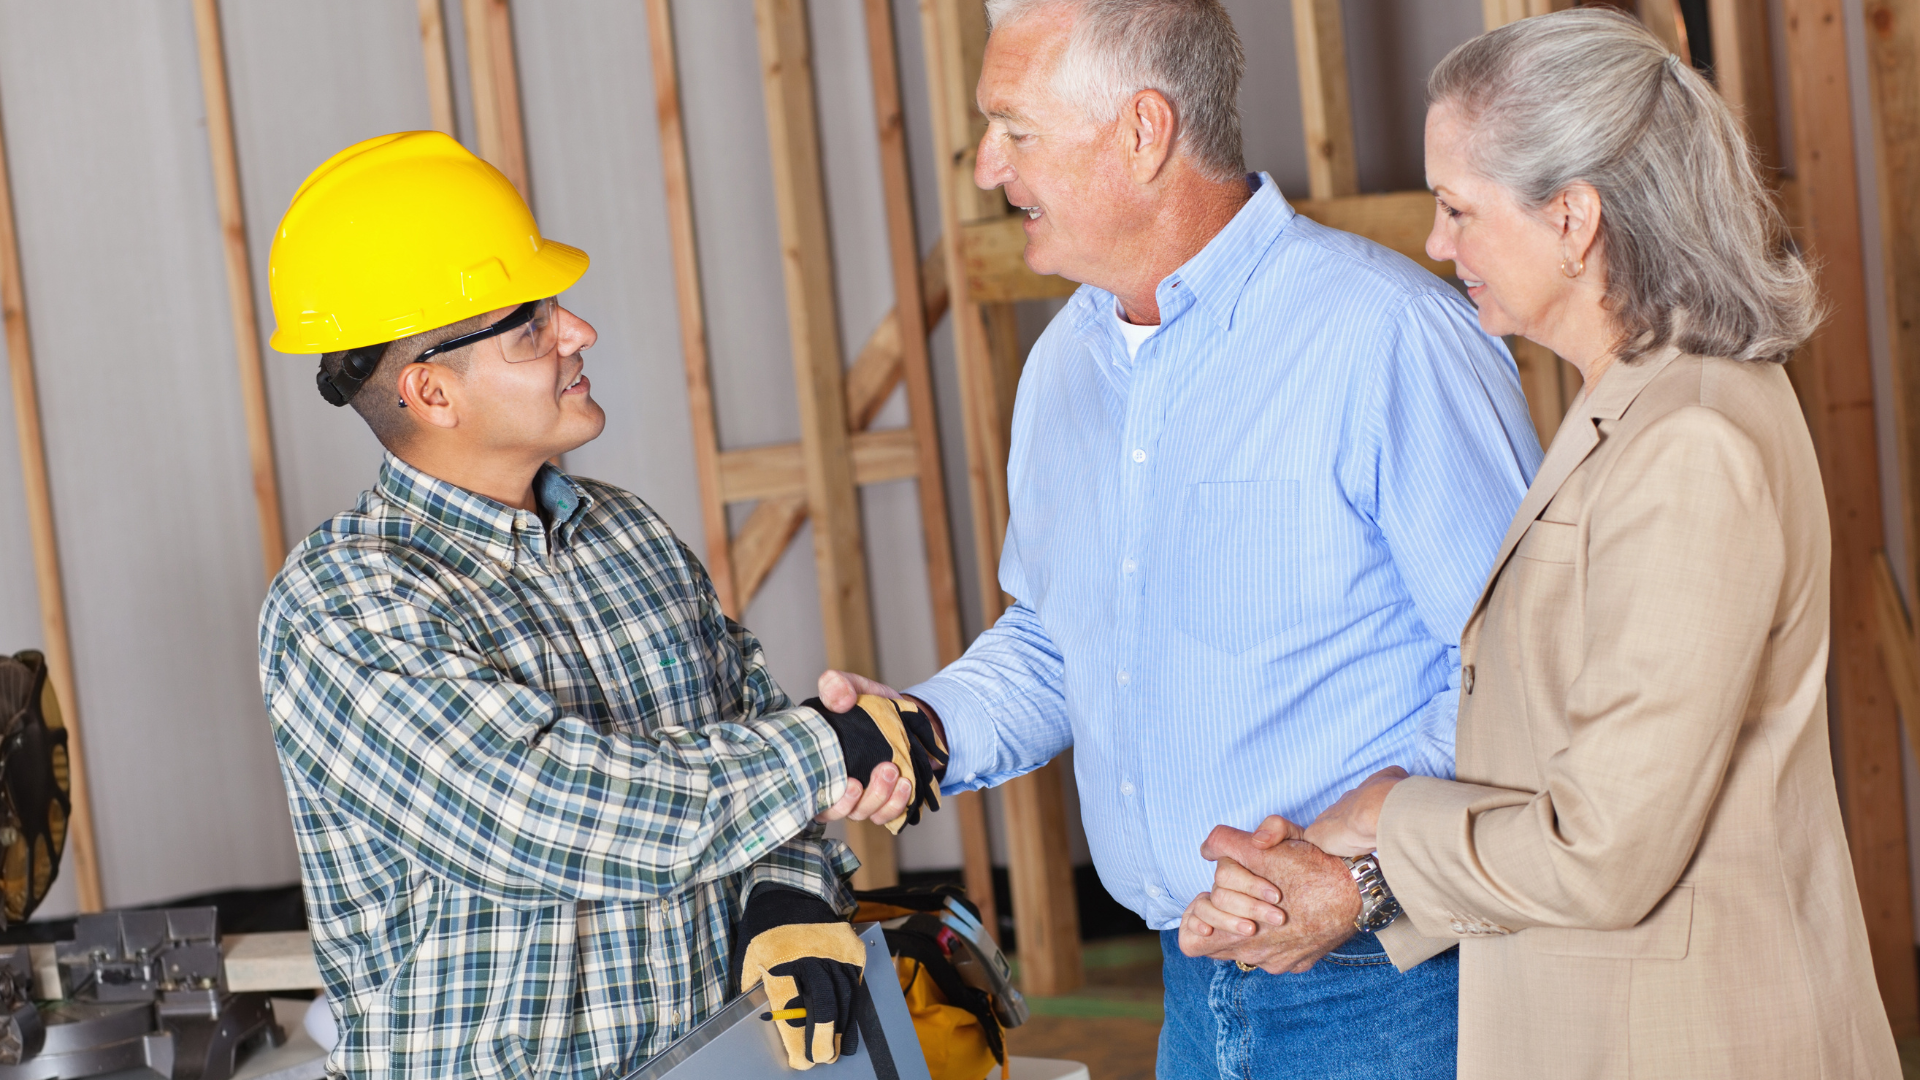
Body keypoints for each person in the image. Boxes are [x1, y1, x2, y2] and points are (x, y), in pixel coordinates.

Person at [816, 1, 1542, 1075]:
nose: (984, 167)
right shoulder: (1064, 366)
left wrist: (1357, 867)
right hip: (1194, 996)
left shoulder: (1384, 337)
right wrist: (926, 729)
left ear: (1144, 132)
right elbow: (1063, 641)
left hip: (1396, 989)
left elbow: (1522, 671)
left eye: (1015, 128)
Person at [1184, 9, 1903, 1078]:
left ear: (1573, 219)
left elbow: (1608, 851)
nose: (1436, 245)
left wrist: (1387, 815)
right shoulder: (1636, 407)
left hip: (1691, 1042)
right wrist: (1365, 864)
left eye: (1458, 208)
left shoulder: (1690, 443)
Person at [255, 131, 942, 1079]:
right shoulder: (343, 604)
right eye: (529, 325)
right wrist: (830, 750)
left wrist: (785, 894)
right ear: (431, 391)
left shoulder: (631, 536)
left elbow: (750, 733)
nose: (577, 331)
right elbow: (543, 810)